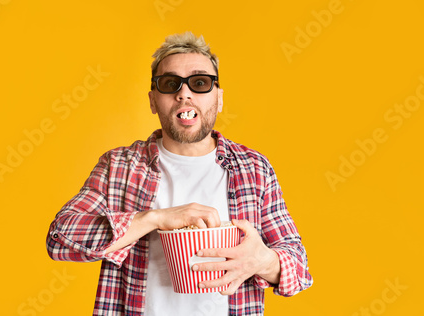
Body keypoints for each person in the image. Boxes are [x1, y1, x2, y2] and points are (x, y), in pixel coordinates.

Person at [46, 32, 313, 316]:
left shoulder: (254, 169)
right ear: (152, 101)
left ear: (219, 99)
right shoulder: (120, 166)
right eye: (170, 83)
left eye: (200, 83)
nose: (184, 93)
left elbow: (299, 269)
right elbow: (60, 238)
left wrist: (264, 261)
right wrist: (154, 219)